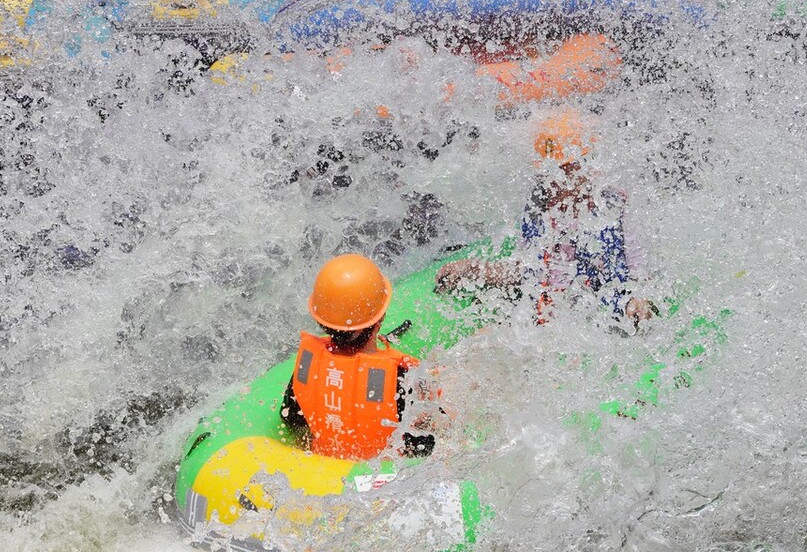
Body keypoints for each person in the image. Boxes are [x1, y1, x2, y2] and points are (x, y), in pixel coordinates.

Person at [435, 108, 655, 327]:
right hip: (556, 315)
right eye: (552, 173)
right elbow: (530, 271)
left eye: (568, 171)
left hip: (605, 313)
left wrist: (636, 302)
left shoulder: (618, 211)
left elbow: (641, 274)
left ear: (590, 167)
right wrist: (474, 269)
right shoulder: (539, 216)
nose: (558, 180)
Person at [281, 253, 437, 459]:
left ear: (321, 320)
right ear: (380, 318)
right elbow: (425, 445)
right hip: (381, 474)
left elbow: (291, 420)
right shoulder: (403, 379)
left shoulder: (308, 367)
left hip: (325, 468)